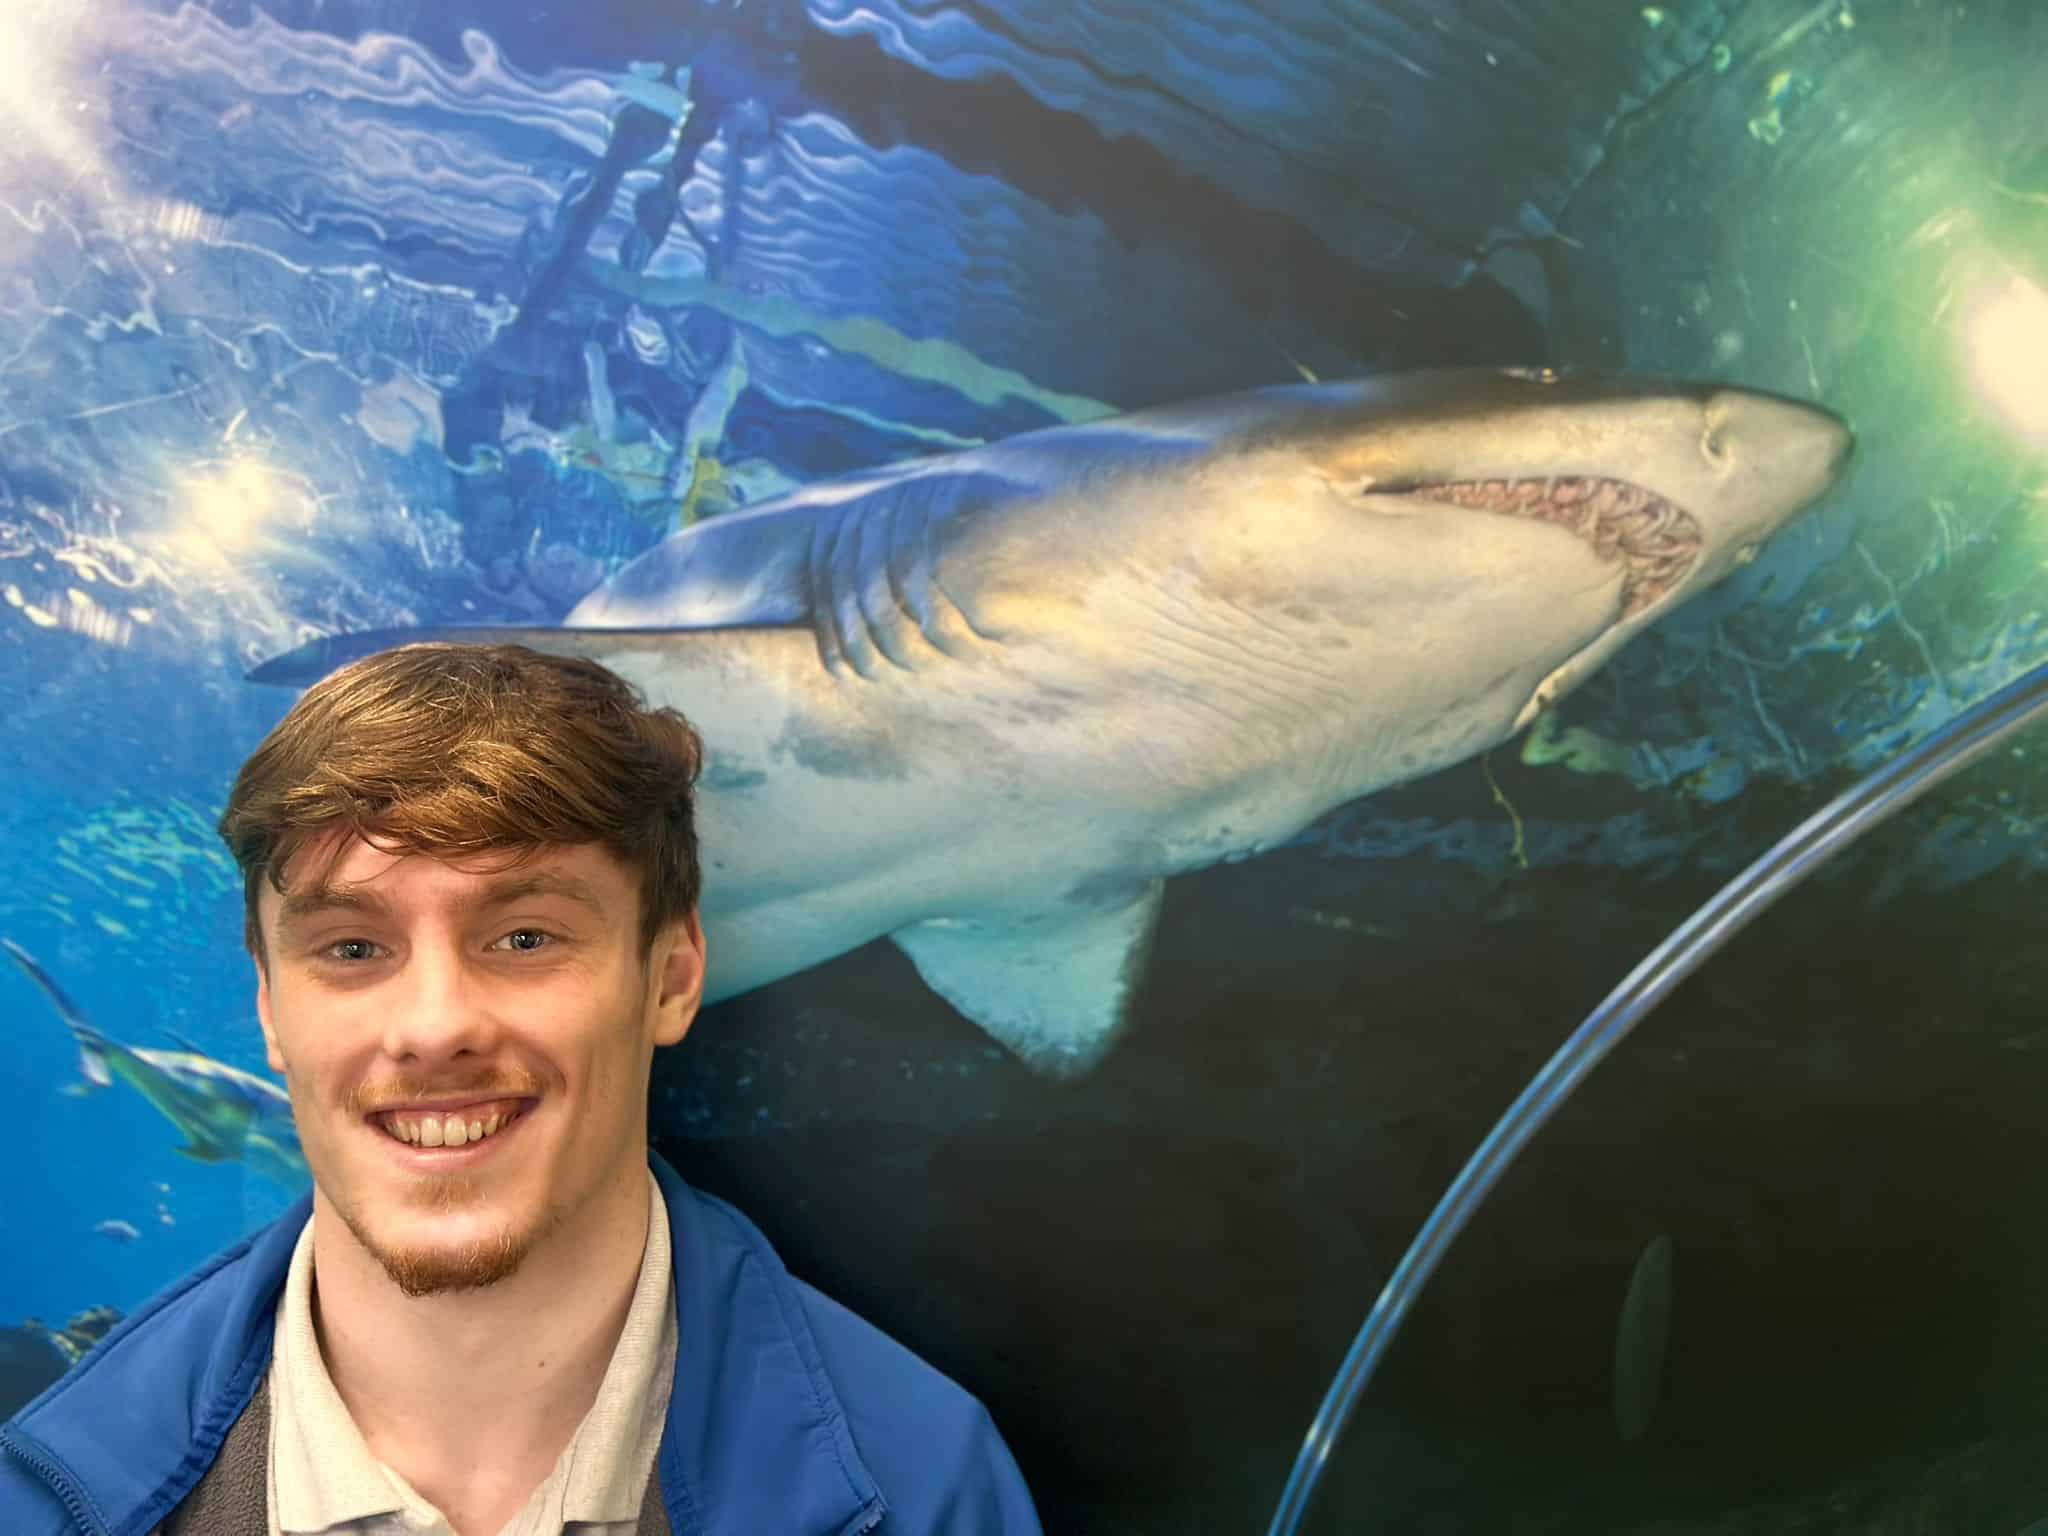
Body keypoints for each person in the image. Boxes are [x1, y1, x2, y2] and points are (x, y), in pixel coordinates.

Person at [0, 642, 1042, 1535]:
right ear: (269, 1006)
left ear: (672, 977)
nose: (434, 1027)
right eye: (352, 947)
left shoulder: (926, 1487)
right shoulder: (54, 1497)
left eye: (525, 936)